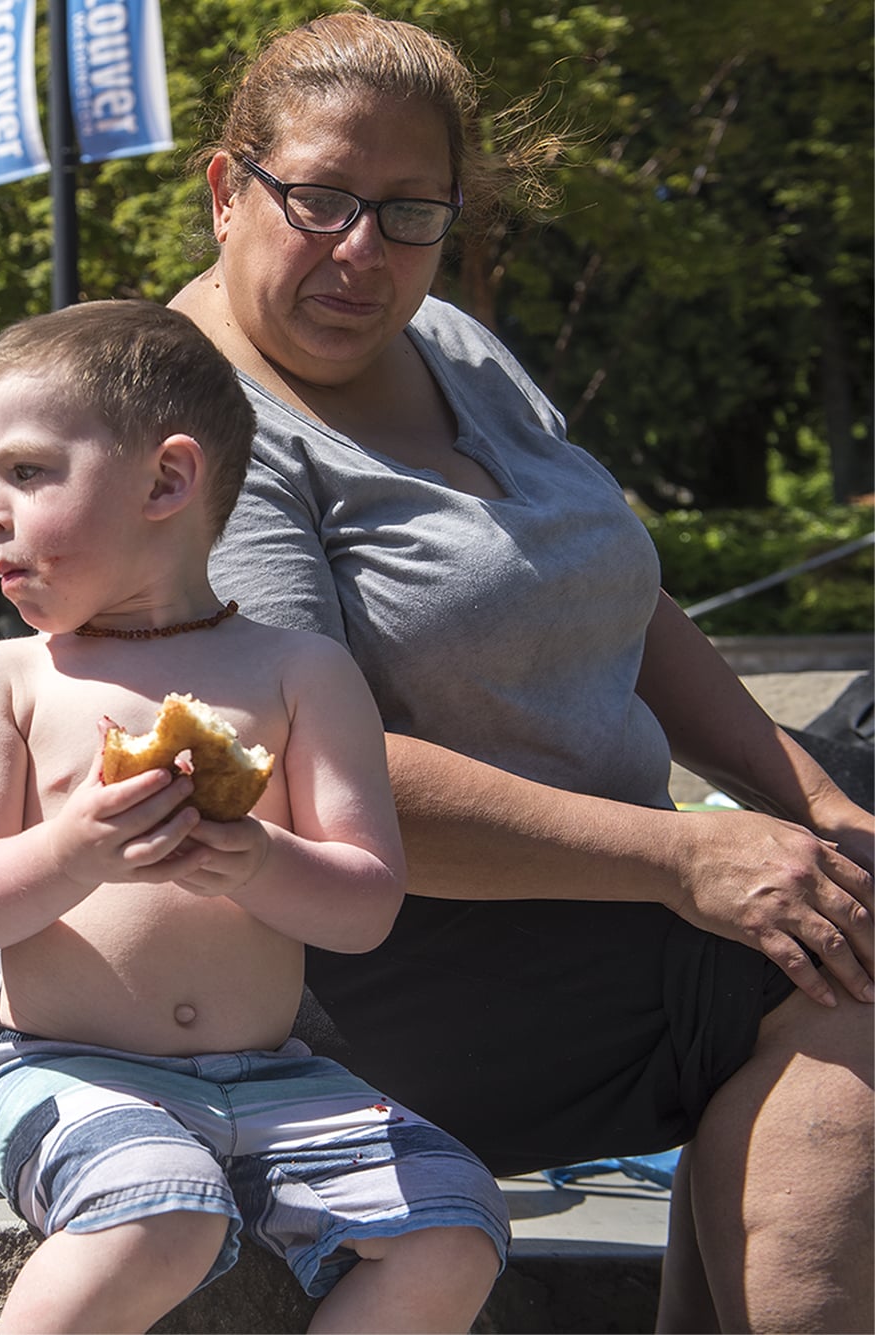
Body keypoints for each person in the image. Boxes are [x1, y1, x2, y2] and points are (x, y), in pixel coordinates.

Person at [167, 10, 873, 1331]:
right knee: (841, 959)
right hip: (374, 966)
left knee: (848, 884)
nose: (362, 251)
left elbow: (630, 600)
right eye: (319, 199)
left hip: (608, 904)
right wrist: (687, 858)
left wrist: (814, 799)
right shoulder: (198, 427)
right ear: (228, 188)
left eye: (410, 212)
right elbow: (310, 774)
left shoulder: (455, 347)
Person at [0, 299, 509, 1334]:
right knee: (160, 1217)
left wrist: (252, 858)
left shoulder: (297, 673)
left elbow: (364, 904)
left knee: (453, 1228)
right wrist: (72, 848)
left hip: (276, 1077)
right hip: (63, 1066)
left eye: (23, 472)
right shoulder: (4, 680)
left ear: (166, 479)